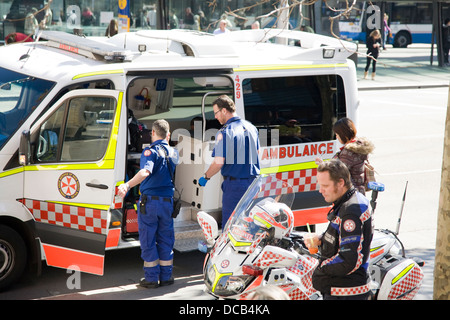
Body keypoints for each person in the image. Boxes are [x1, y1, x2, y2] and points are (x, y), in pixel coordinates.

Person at [118, 119, 178, 288]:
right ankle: (166, 277)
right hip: (167, 203)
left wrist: (127, 185)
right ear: (168, 135)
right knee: (166, 239)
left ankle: (151, 278)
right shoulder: (174, 153)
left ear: (152, 133)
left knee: (148, 239)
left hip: (150, 203)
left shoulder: (150, 152)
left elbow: (145, 172)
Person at [306, 159, 373, 300]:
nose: (320, 190)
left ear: (341, 183)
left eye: (325, 185)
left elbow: (348, 260)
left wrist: (320, 268)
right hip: (342, 289)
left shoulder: (351, 210)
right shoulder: (347, 201)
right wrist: (321, 239)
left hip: (345, 292)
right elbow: (340, 234)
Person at [198, 95, 260, 228]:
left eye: (216, 113)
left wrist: (205, 177)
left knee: (231, 226)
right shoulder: (251, 128)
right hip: (254, 185)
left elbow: (218, 162)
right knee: (249, 226)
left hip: (235, 187)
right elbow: (257, 154)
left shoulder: (225, 132)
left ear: (224, 111)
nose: (215, 117)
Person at [317, 118, 374, 195]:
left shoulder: (348, 152)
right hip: (359, 191)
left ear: (343, 134)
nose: (336, 137)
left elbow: (339, 171)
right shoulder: (359, 146)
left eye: (337, 134)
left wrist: (322, 165)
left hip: (350, 194)